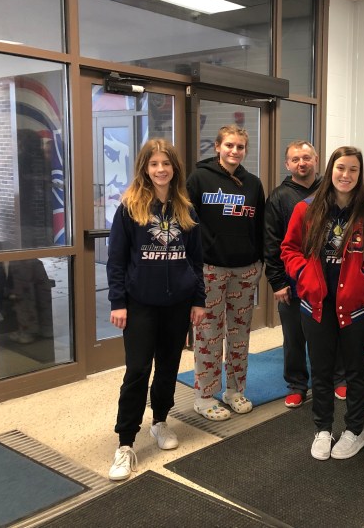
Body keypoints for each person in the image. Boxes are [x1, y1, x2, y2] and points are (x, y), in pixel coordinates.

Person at [281, 146, 364, 461]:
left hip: (355, 305)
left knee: (355, 370)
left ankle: (355, 430)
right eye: (341, 168)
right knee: (321, 369)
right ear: (331, 170)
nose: (346, 175)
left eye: (353, 169)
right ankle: (323, 429)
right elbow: (289, 249)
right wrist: (304, 275)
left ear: (360, 174)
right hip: (316, 303)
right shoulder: (306, 209)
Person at [106, 138, 206, 481]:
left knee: (167, 367)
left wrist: (198, 299)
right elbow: (116, 260)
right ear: (145, 169)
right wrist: (118, 302)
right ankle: (125, 443)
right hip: (140, 304)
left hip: (177, 304)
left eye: (166, 163)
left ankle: (160, 421)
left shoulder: (186, 209)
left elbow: (196, 259)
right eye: (154, 164)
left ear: (174, 168)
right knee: (137, 371)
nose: (161, 169)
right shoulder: (129, 208)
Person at [187, 125, 265, 421]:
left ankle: (234, 390)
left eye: (240, 147)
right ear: (218, 147)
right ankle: (204, 396)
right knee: (208, 333)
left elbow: (259, 227)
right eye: (229, 145)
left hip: (245, 269)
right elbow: (187, 223)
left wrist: (259, 262)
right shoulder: (199, 178)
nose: (234, 151)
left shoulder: (253, 184)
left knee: (239, 334)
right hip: (210, 268)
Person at [264, 140, 347, 409]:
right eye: (296, 159)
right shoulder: (279, 197)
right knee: (294, 336)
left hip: (330, 278)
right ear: (287, 164)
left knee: (332, 331)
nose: (302, 163)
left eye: (307, 158)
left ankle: (339, 378)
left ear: (316, 159)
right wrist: (277, 281)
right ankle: (297, 384)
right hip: (293, 280)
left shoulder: (332, 191)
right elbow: (272, 241)